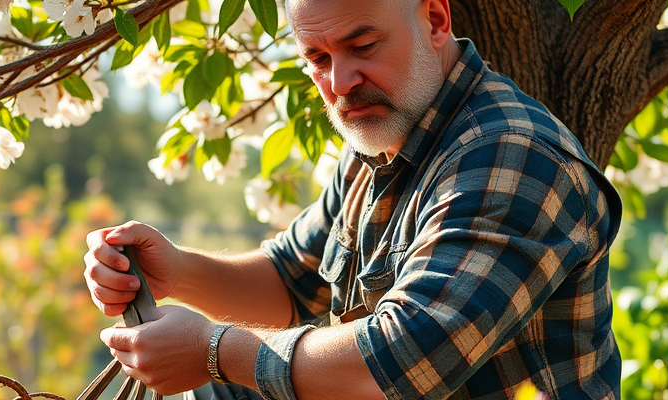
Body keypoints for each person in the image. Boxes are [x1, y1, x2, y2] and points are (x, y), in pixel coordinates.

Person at [83, 0, 623, 398]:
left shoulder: (511, 154)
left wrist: (213, 350)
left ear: (435, 19)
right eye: (317, 57)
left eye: (362, 46)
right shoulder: (385, 136)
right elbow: (292, 280)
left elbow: (398, 363)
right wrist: (172, 272)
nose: (340, 82)